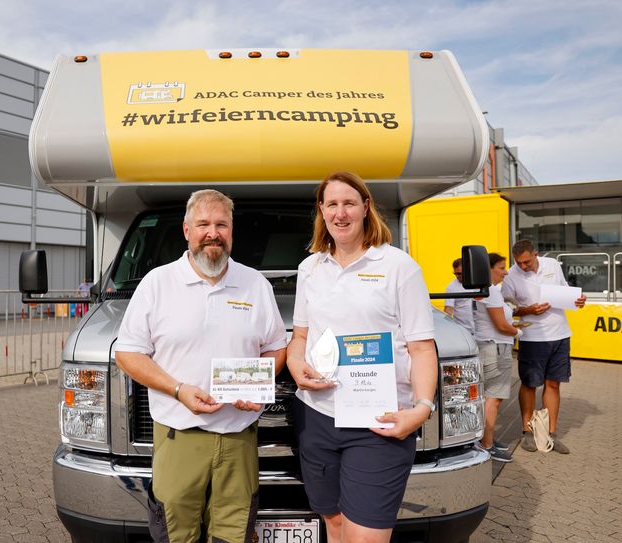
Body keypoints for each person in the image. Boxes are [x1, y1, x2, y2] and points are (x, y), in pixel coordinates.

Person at [114, 189, 287, 543]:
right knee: (177, 534)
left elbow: (276, 347)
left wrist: (255, 387)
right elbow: (128, 354)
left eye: (221, 224)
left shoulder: (255, 284)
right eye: (203, 224)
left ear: (232, 230)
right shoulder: (157, 284)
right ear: (186, 230)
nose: (213, 232)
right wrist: (178, 390)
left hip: (239, 437)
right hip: (180, 436)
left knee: (234, 534)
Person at [286, 171, 437, 543]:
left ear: (366, 208)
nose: (341, 213)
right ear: (321, 211)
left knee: (365, 536)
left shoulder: (398, 267)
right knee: (334, 523)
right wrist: (294, 363)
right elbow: (300, 336)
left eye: (349, 203)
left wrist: (421, 408)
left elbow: (421, 347)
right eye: (332, 204)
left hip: (379, 421)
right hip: (317, 416)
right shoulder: (311, 268)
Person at [501, 239, 586, 454]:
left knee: (554, 385)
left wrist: (578, 300)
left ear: (536, 254)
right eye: (519, 263)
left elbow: (566, 290)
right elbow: (507, 309)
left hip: (560, 334)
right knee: (529, 384)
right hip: (532, 337)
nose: (523, 267)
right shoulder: (511, 276)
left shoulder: (553, 265)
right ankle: (527, 432)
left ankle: (550, 433)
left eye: (527, 262)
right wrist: (528, 309)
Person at [473, 253, 522, 462]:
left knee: (489, 397)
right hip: (496, 348)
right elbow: (501, 326)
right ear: (489, 269)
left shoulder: (484, 290)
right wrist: (518, 332)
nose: (506, 271)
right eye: (501, 267)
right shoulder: (491, 291)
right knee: (493, 398)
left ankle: (485, 439)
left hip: (488, 346)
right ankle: (487, 445)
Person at [443, 258, 475, 334]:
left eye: (460, 273)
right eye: (455, 273)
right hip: (464, 331)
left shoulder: (479, 283)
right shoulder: (451, 287)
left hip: (481, 331)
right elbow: (448, 310)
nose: (457, 276)